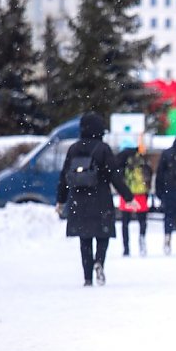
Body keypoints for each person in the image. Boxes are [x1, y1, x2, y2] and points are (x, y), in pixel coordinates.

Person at [56, 112, 139, 287]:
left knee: (84, 239)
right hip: (100, 199)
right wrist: (128, 197)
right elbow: (114, 176)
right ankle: (99, 261)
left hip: (79, 200)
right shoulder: (103, 149)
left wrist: (61, 200)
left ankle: (87, 278)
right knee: (103, 235)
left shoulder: (73, 149)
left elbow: (64, 177)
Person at [115, 136, 153, 256]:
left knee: (125, 222)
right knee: (142, 220)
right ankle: (142, 239)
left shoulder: (121, 158)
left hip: (126, 193)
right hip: (141, 193)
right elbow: (149, 172)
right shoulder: (140, 157)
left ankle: (126, 248)